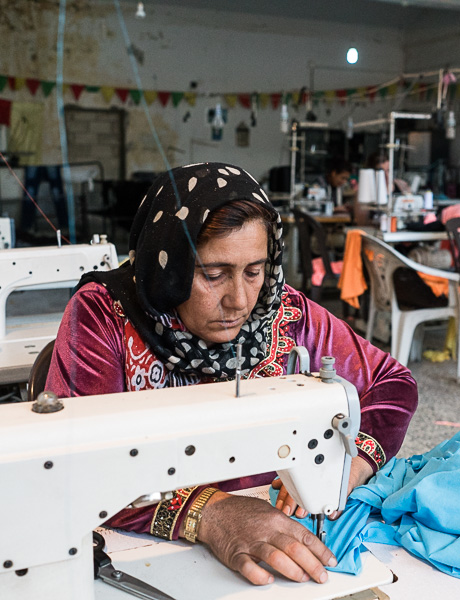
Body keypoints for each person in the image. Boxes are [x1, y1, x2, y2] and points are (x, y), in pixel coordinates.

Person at [46, 162, 417, 587]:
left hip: (272, 533)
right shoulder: (102, 317)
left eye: (254, 271)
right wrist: (211, 514)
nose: (239, 300)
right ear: (170, 265)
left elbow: (394, 383)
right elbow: (76, 464)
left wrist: (351, 463)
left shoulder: (284, 311)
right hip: (140, 551)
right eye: (213, 274)